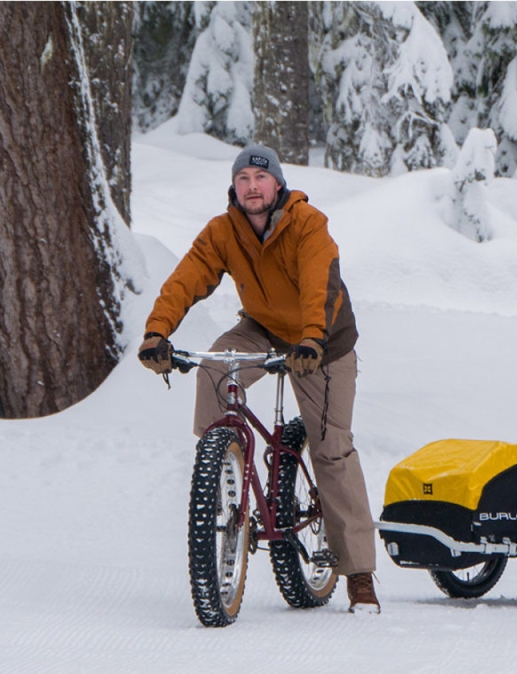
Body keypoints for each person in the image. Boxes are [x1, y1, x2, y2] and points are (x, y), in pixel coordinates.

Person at [138, 144, 379, 613]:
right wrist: (156, 332)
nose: (252, 186)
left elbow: (318, 285)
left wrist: (311, 339)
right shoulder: (223, 231)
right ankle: (226, 467)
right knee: (213, 370)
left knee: (330, 450)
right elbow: (185, 280)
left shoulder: (308, 224)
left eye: (261, 178)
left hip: (324, 342)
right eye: (243, 178)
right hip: (264, 328)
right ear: (235, 187)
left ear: (277, 185)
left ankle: (359, 575)